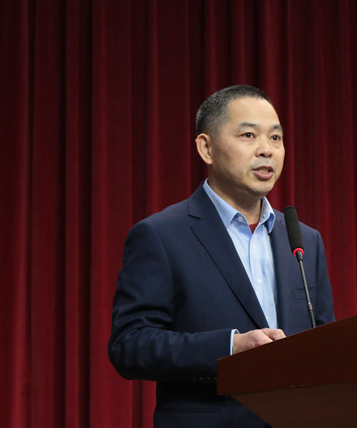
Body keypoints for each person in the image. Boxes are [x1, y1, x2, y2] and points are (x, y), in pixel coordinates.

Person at [108, 85, 335, 427]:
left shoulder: (304, 241)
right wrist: (230, 347)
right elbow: (130, 345)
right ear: (207, 148)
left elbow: (326, 343)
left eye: (276, 138)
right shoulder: (161, 235)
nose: (266, 150)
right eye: (248, 135)